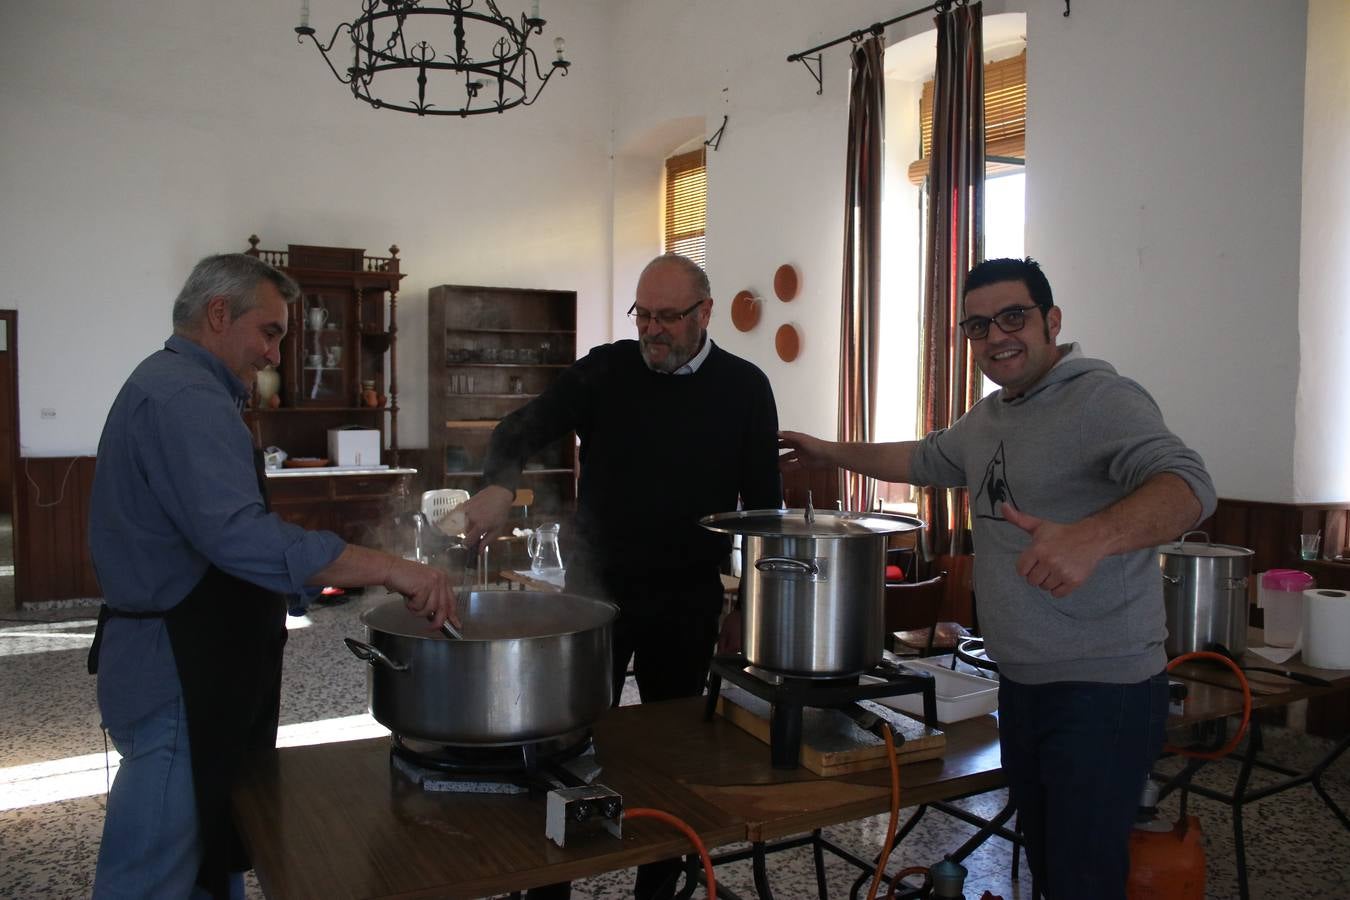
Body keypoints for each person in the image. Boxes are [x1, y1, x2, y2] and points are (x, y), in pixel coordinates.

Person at [779, 257, 1216, 900]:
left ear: (1052, 321)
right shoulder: (991, 417)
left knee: (1082, 880)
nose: (997, 336)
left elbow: (1190, 486)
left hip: (1103, 689)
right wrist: (828, 449)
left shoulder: (1102, 399)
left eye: (1014, 316)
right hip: (1024, 684)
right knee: (1048, 867)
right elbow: (924, 457)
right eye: (979, 326)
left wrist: (1092, 537)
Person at [87, 253, 459, 900]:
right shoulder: (186, 398)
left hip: (188, 661)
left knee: (208, 843)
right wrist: (390, 568)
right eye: (270, 332)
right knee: (153, 871)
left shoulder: (180, 386)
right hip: (177, 667)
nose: (276, 353)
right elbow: (239, 535)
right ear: (218, 313)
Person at [458, 252, 782, 899]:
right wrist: (498, 485)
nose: (652, 330)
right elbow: (523, 427)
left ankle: (656, 886)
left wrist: (748, 605)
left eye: (668, 316)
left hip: (687, 599)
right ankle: (553, 884)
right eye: (644, 314)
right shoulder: (606, 370)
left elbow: (763, 512)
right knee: (567, 745)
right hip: (593, 594)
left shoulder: (745, 389)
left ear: (705, 313)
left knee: (670, 754)